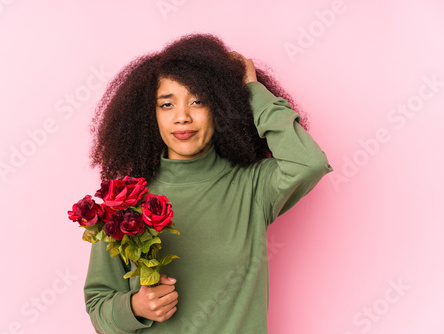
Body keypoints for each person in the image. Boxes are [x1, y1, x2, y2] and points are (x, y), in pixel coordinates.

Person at [84, 33, 333, 334]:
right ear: (149, 116)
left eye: (198, 101)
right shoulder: (126, 200)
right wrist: (134, 308)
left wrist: (251, 90)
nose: (182, 117)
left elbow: (309, 163)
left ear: (221, 108)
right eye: (167, 105)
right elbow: (99, 305)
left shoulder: (252, 185)